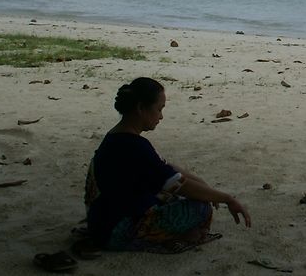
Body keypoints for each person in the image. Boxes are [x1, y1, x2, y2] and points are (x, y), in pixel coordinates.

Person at [83, 77, 251, 253]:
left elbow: (166, 169)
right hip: (116, 231)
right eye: (159, 109)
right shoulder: (134, 146)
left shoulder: (117, 137)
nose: (161, 116)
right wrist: (227, 199)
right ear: (141, 108)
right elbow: (179, 184)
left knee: (183, 195)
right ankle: (175, 237)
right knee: (200, 208)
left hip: (101, 223)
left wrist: (205, 187)